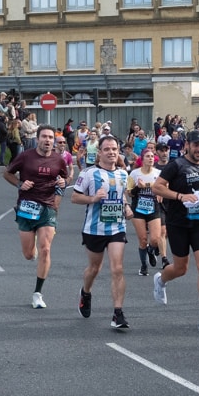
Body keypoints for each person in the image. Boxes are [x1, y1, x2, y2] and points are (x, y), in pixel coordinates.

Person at [151, 129, 199, 333]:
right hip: (178, 223)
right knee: (181, 268)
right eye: (196, 145)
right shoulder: (176, 165)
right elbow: (157, 187)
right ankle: (161, 279)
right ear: (187, 145)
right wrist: (180, 196)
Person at [70, 135, 133, 329]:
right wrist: (93, 199)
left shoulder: (123, 174)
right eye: (107, 149)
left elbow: (121, 196)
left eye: (114, 149)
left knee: (117, 268)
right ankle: (86, 292)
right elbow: (74, 197)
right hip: (94, 228)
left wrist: (126, 207)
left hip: (117, 227)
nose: (111, 152)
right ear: (99, 153)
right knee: (94, 268)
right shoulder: (89, 174)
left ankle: (118, 313)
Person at [3, 126, 68, 309]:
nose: (47, 140)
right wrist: (20, 184)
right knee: (29, 254)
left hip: (48, 207)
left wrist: (63, 182)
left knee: (46, 249)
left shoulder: (58, 159)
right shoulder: (25, 156)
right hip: (27, 207)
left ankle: (37, 294)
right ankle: (34, 253)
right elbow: (7, 173)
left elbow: (65, 179)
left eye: (50, 137)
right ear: (37, 139)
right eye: (44, 137)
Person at [127, 147, 163, 277]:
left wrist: (160, 193)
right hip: (138, 208)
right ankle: (143, 266)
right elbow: (129, 193)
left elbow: (165, 187)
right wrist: (138, 187)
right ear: (142, 159)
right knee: (143, 239)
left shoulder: (159, 173)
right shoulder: (134, 174)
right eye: (148, 156)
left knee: (155, 239)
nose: (151, 158)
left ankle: (151, 250)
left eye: (152, 156)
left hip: (153, 207)